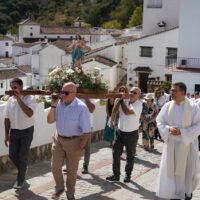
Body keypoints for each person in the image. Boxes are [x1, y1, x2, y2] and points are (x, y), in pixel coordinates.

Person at [155, 82, 200, 200]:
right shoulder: (167, 105)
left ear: (183, 93)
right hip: (171, 146)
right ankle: (172, 194)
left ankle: (186, 194)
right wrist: (168, 129)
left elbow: (199, 125)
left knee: (187, 173)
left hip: (187, 145)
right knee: (171, 173)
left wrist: (182, 132)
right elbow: (159, 121)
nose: (171, 92)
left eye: (174, 90)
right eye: (171, 90)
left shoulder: (193, 107)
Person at [47, 82, 91, 200]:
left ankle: (70, 194)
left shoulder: (81, 108)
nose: (62, 95)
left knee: (72, 171)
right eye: (61, 91)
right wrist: (53, 106)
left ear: (74, 94)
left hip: (74, 141)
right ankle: (59, 188)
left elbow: (87, 131)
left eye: (65, 93)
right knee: (55, 166)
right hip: (58, 139)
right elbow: (50, 121)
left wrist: (80, 148)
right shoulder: (59, 104)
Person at [4, 78, 36, 189]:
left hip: (27, 131)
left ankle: (20, 180)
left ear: (21, 87)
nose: (13, 89)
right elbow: (7, 119)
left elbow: (29, 113)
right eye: (11, 87)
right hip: (14, 131)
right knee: (12, 155)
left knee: (22, 156)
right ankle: (23, 169)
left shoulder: (30, 98)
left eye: (15, 87)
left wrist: (19, 99)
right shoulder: (9, 100)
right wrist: (6, 135)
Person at [106, 87, 142, 183]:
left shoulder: (138, 104)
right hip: (120, 132)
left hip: (132, 134)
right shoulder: (124, 101)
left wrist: (121, 100)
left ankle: (127, 175)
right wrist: (119, 99)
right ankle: (116, 175)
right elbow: (114, 110)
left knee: (130, 156)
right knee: (115, 154)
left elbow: (127, 112)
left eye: (134, 92)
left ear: (139, 95)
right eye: (131, 91)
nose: (131, 93)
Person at [81, 98, 95, 174]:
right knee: (72, 146)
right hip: (77, 126)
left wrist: (86, 98)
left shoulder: (91, 98)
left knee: (87, 147)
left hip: (88, 125)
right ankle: (70, 165)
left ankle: (85, 166)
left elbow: (91, 109)